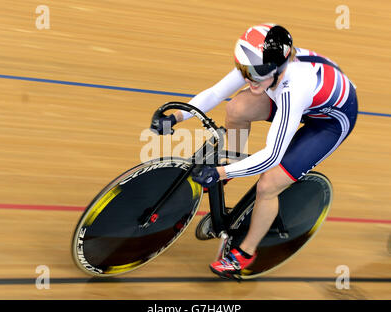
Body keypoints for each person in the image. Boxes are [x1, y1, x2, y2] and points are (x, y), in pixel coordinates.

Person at [153, 23, 358, 279]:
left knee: (268, 184)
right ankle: (233, 165)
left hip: (329, 122)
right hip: (307, 96)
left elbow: (272, 155)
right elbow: (217, 92)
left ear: (276, 68)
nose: (248, 78)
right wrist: (176, 117)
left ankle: (247, 251)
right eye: (245, 71)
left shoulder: (293, 88)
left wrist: (218, 172)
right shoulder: (259, 64)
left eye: (256, 74)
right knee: (237, 109)